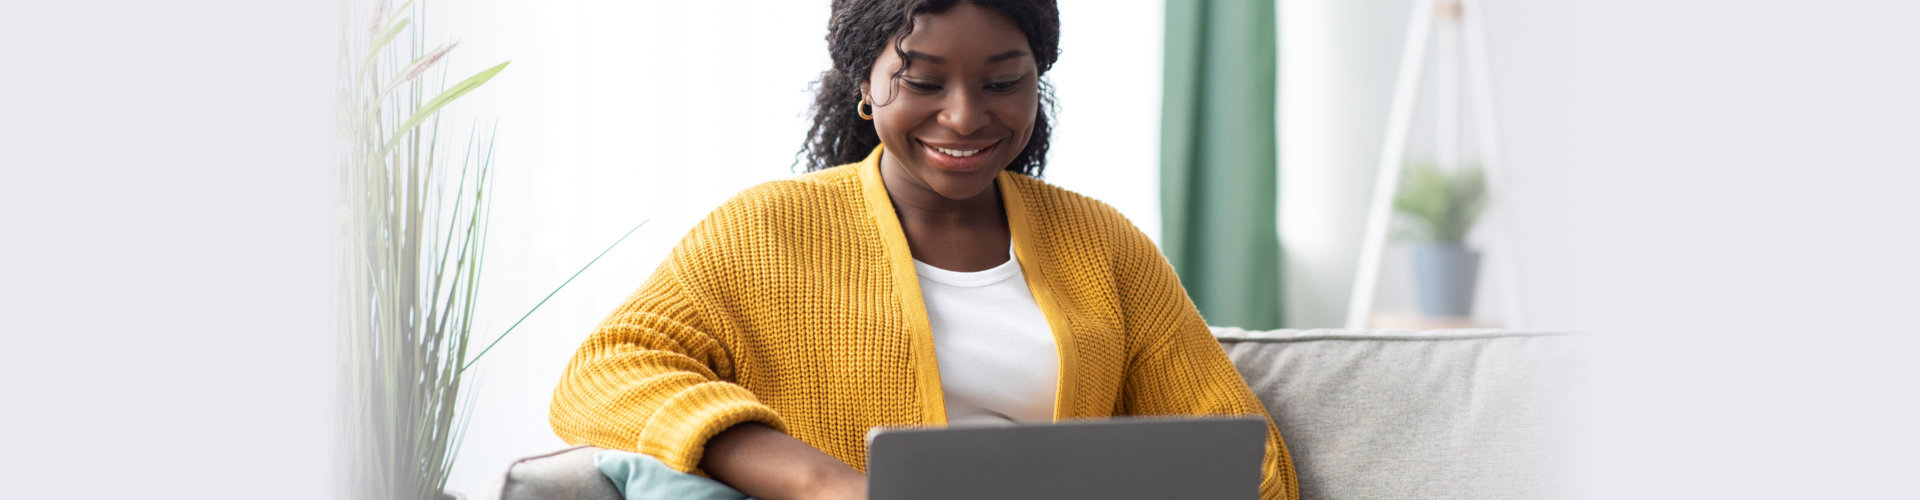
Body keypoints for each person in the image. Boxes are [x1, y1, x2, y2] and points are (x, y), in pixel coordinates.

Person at [548, 1, 1299, 498]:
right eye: (922, 81)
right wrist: (824, 483)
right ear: (867, 86)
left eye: (1004, 81)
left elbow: (1250, 458)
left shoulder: (1102, 244)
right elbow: (603, 374)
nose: (966, 116)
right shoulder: (767, 228)